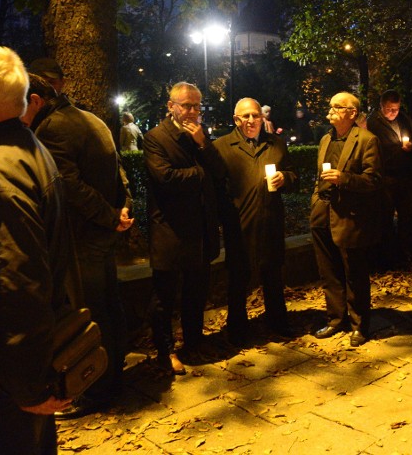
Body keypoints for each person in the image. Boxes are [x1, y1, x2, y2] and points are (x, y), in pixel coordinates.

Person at [21, 71, 134, 418]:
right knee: (108, 309)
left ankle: (97, 389)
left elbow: (70, 186)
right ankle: (113, 378)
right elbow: (118, 172)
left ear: (37, 100)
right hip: (101, 234)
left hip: (83, 238)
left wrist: (110, 215)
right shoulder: (89, 118)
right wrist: (119, 211)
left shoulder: (53, 128)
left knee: (91, 315)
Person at [0, 46, 76, 453]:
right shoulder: (30, 150)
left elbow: (18, 282)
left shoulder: (2, 171)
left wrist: (27, 388)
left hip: (11, 377)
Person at [144, 82, 224, 374]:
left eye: (196, 106)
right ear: (171, 106)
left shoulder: (200, 135)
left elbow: (220, 171)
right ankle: (164, 351)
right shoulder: (156, 138)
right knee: (164, 295)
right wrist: (201, 174)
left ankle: (194, 341)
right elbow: (165, 178)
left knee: (196, 291)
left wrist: (204, 143)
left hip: (200, 228)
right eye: (186, 105)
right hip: (170, 229)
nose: (192, 111)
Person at [215, 98, 297, 346]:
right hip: (239, 226)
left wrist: (286, 178)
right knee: (238, 280)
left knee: (273, 275)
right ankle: (238, 329)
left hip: (271, 221)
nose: (251, 120)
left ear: (262, 118)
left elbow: (294, 175)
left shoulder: (276, 144)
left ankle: (277, 322)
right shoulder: (221, 147)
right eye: (245, 116)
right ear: (236, 120)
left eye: (255, 115)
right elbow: (216, 189)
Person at [311, 92, 382, 347]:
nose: (330, 111)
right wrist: (316, 202)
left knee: (355, 273)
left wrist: (344, 179)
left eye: (337, 107)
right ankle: (335, 319)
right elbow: (318, 175)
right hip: (322, 214)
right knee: (328, 271)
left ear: (352, 113)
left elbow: (373, 181)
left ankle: (359, 325)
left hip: (349, 217)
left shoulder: (367, 140)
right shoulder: (325, 139)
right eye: (330, 106)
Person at [366, 90, 412, 267]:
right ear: (381, 107)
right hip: (386, 177)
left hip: (405, 176)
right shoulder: (373, 122)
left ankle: (405, 252)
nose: (392, 113)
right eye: (389, 109)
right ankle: (387, 256)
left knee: (406, 217)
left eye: (395, 109)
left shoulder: (404, 119)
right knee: (385, 218)